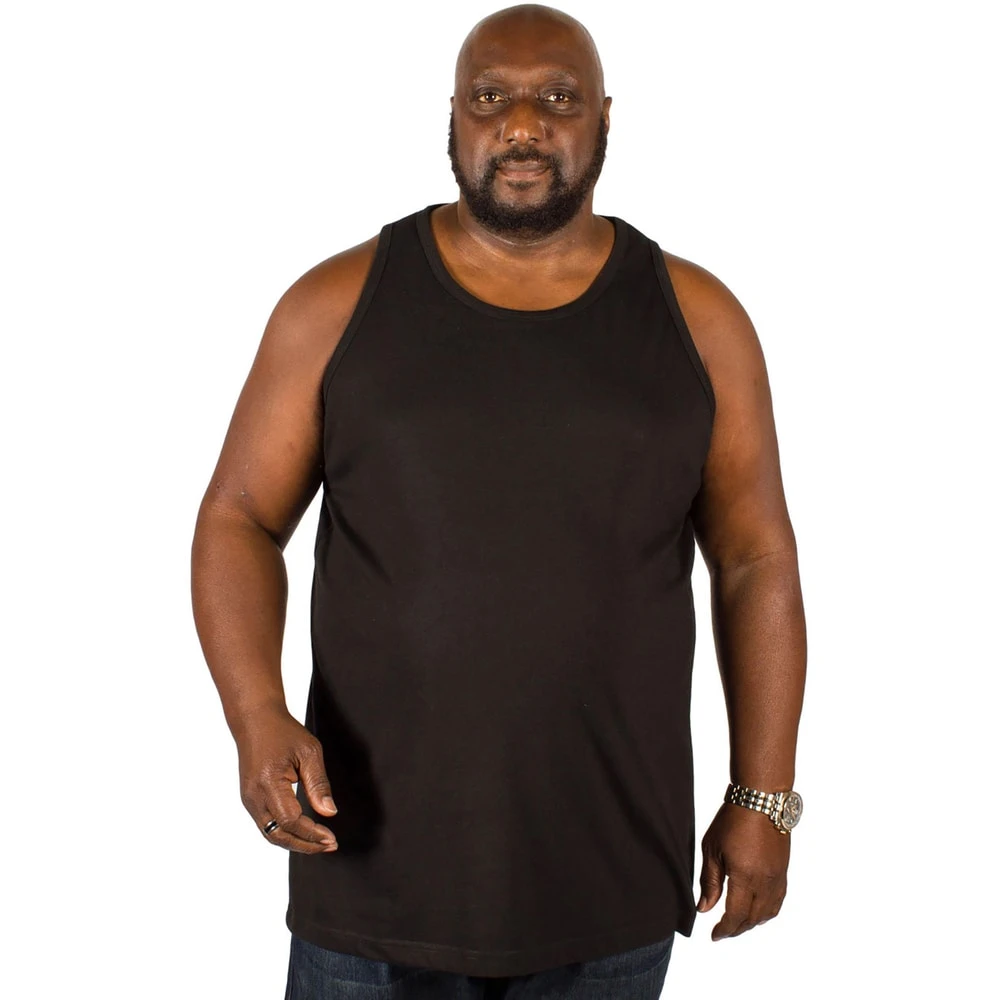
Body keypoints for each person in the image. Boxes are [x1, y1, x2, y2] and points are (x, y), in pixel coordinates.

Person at [190, 3, 807, 997]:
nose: (522, 124)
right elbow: (239, 519)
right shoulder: (335, 304)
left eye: (557, 97)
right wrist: (255, 713)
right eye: (490, 97)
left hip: (609, 882)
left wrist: (764, 796)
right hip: (369, 876)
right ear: (452, 116)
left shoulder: (698, 320)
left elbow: (754, 558)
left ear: (605, 117)